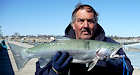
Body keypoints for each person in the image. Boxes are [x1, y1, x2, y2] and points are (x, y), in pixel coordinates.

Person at [35, 4, 133, 75]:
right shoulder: (57, 44)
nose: (85, 25)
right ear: (73, 25)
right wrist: (54, 71)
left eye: (90, 21)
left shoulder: (110, 44)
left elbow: (129, 70)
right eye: (81, 21)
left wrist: (116, 66)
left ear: (95, 24)